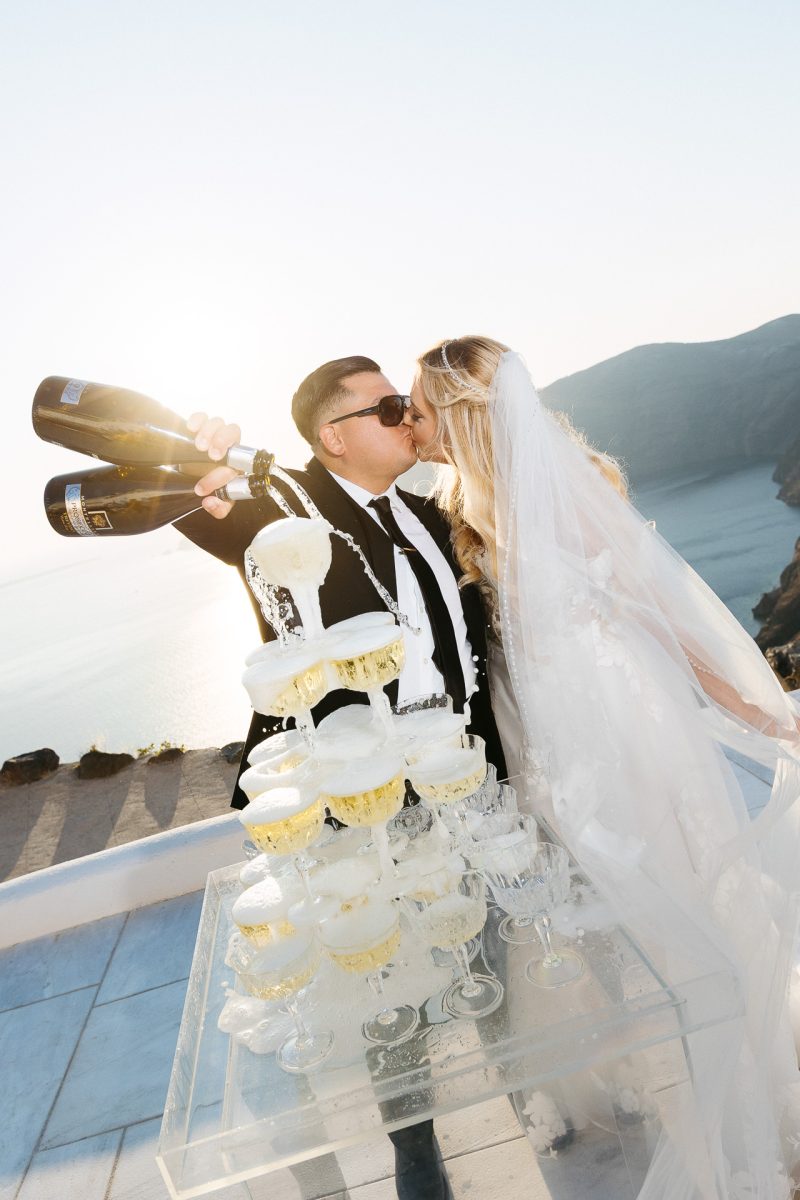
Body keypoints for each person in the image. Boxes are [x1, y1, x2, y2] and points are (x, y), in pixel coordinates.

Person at [407, 336, 800, 1199]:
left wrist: (756, 709)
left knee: (692, 907)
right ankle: (676, 1079)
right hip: (544, 737)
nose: (412, 422)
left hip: (623, 726)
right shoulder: (457, 500)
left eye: (422, 408)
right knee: (612, 920)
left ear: (464, 415)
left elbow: (661, 610)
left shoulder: (570, 488)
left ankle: (760, 1108)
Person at [176, 354, 508, 1200]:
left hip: (463, 774)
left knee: (488, 935)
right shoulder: (281, 508)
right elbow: (201, 507)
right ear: (334, 435)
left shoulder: (433, 513)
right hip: (359, 801)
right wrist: (189, 461)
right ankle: (415, 1149)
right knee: (388, 980)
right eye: (387, 407)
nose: (407, 417)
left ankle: (525, 1076)